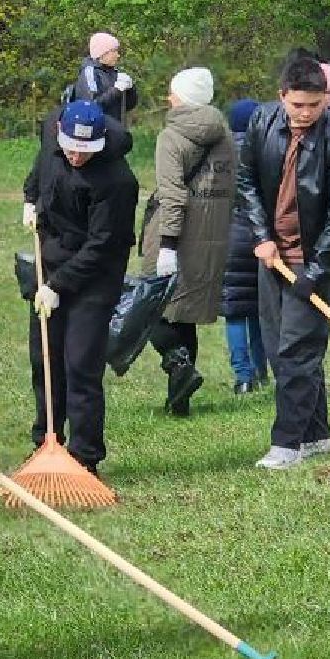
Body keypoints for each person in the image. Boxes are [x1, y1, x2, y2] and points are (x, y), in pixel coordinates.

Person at [238, 57, 330, 469]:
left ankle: (286, 444)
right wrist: (261, 236)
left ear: (326, 99)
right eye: (298, 106)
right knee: (280, 350)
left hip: (312, 260)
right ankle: (317, 433)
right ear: (282, 98)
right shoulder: (261, 123)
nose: (306, 114)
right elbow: (247, 181)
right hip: (271, 258)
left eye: (315, 105)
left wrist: (318, 272)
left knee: (298, 352)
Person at [21, 99, 137, 474]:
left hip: (95, 276)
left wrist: (59, 285)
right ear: (60, 134)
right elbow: (42, 167)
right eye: (71, 148)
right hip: (52, 262)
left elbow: (103, 244)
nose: (76, 157)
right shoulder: (53, 134)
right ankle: (46, 442)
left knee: (80, 364)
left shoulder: (118, 181)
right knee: (45, 359)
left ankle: (85, 456)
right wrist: (29, 198)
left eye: (86, 151)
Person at [138, 68, 236, 417]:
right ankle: (179, 403)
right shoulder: (225, 136)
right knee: (184, 318)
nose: (168, 98)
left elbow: (173, 196)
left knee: (149, 310)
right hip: (211, 238)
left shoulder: (171, 136)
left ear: (184, 97)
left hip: (175, 235)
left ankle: (178, 366)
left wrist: (166, 244)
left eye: (173, 93)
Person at [222, 98, 269, 393]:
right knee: (260, 308)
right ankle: (262, 369)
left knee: (235, 309)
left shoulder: (220, 154)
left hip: (228, 236)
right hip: (260, 236)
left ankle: (243, 376)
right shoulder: (265, 151)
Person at [68, 32, 138, 123]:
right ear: (102, 54)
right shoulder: (89, 73)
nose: (118, 55)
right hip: (96, 131)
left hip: (116, 129)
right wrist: (116, 90)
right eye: (114, 51)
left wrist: (130, 89)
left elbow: (127, 106)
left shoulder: (114, 73)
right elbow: (91, 106)